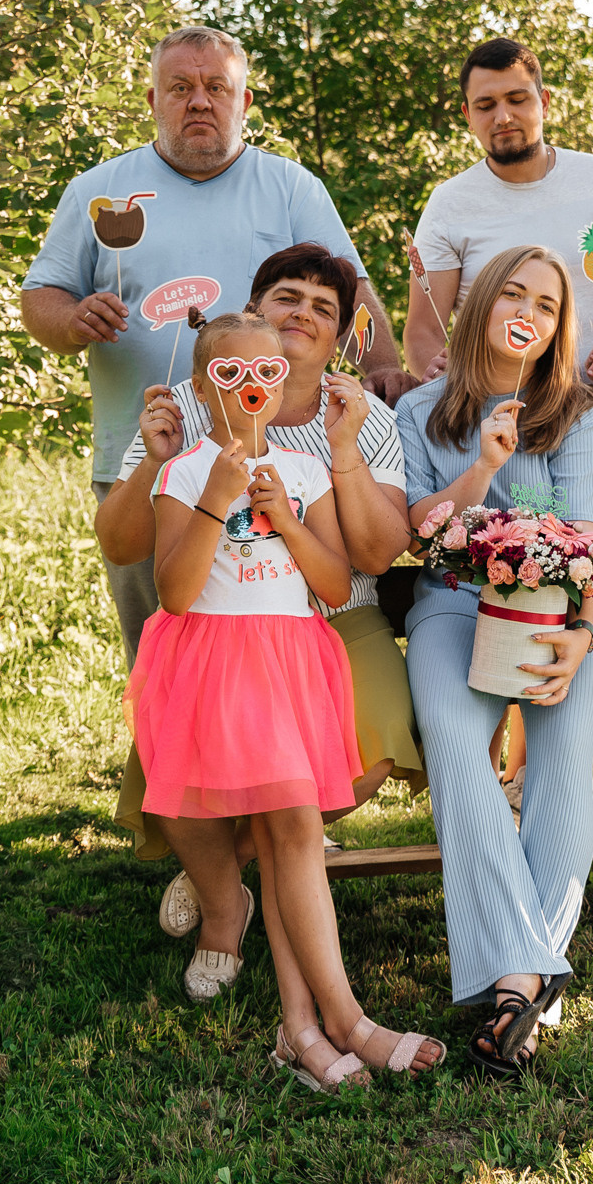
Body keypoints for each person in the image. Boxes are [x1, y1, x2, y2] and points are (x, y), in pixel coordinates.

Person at [21, 25, 407, 858]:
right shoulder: (101, 188)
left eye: (217, 87)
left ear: (244, 99)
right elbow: (41, 300)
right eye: (181, 87)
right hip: (158, 453)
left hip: (290, 464)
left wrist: (384, 371)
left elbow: (352, 287)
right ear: (154, 96)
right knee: (176, 659)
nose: (200, 101)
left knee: (279, 639)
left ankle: (273, 825)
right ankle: (205, 842)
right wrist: (73, 318)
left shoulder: (290, 186)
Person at [128, 310, 441, 1087]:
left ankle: (308, 1027)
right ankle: (341, 1021)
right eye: (231, 376)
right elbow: (173, 593)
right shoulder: (182, 471)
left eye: (267, 373)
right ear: (204, 388)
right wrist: (218, 497)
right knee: (287, 834)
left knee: (290, 836)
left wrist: (283, 518)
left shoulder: (303, 475)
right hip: (212, 665)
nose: (253, 388)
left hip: (293, 659)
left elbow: (334, 584)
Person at [98, 243, 422, 929]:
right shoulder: (189, 401)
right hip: (218, 619)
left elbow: (375, 553)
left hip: (338, 616)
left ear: (340, 337)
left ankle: (230, 860)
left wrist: (344, 453)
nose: (304, 312)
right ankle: (225, 901)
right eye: (287, 296)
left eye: (324, 307)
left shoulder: (363, 417)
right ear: (256, 311)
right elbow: (121, 543)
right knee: (183, 762)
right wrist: (146, 466)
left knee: (378, 746)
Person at [394, 245, 593, 1077]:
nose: (530, 311)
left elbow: (584, 542)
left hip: (570, 608)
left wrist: (584, 632)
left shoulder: (573, 414)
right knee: (458, 747)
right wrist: (485, 465)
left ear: (560, 327)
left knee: (561, 750)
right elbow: (416, 530)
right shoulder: (422, 410)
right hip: (456, 607)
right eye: (515, 295)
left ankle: (512, 984)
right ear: (485, 305)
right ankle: (526, 978)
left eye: (550, 304)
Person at [407, 37, 593, 391]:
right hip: (488, 413)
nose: (503, 117)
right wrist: (438, 377)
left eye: (517, 99)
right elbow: (423, 329)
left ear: (543, 102)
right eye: (485, 105)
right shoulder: (448, 204)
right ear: (468, 115)